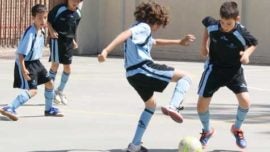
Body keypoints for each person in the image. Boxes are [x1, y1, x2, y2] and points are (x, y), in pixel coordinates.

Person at [98, 2, 195, 152]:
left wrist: (179, 42)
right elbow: (125, 34)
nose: (157, 29)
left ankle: (135, 145)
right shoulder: (143, 27)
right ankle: (173, 106)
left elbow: (155, 42)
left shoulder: (139, 27)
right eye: (159, 25)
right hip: (143, 68)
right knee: (186, 77)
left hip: (132, 75)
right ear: (155, 20)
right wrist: (106, 50)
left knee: (151, 105)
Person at [197, 1, 258, 149]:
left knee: (245, 102)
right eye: (222, 22)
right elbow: (206, 25)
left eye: (228, 24)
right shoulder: (213, 24)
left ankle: (236, 128)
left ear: (237, 19)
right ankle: (207, 131)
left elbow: (253, 43)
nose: (224, 26)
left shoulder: (241, 32)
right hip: (214, 69)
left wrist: (246, 55)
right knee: (201, 106)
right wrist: (204, 45)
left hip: (234, 71)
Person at [0, 4, 64, 121]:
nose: (43, 20)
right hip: (27, 63)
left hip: (36, 63)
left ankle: (49, 109)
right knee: (33, 90)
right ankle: (9, 107)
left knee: (49, 83)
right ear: (33, 18)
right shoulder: (31, 33)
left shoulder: (42, 30)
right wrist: (23, 69)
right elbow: (20, 54)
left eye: (45, 17)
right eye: (39, 18)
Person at [47, 0, 82, 105]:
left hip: (68, 43)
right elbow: (48, 21)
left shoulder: (78, 14)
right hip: (57, 41)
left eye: (78, 1)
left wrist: (73, 40)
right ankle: (50, 92)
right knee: (55, 65)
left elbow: (72, 28)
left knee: (68, 67)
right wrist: (51, 31)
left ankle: (60, 90)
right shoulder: (59, 9)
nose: (75, 2)